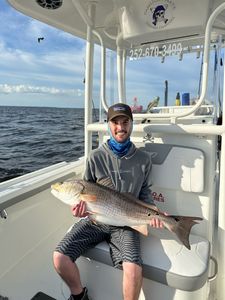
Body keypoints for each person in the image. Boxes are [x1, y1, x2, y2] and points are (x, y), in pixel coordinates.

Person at [53, 103, 164, 300]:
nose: (120, 127)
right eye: (115, 122)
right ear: (108, 125)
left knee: (133, 269)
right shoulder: (95, 157)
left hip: (126, 222)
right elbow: (87, 191)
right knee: (59, 258)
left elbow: (145, 192)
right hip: (95, 221)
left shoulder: (143, 160)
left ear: (131, 124)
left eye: (125, 122)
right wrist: (76, 210)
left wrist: (154, 213)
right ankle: (79, 296)